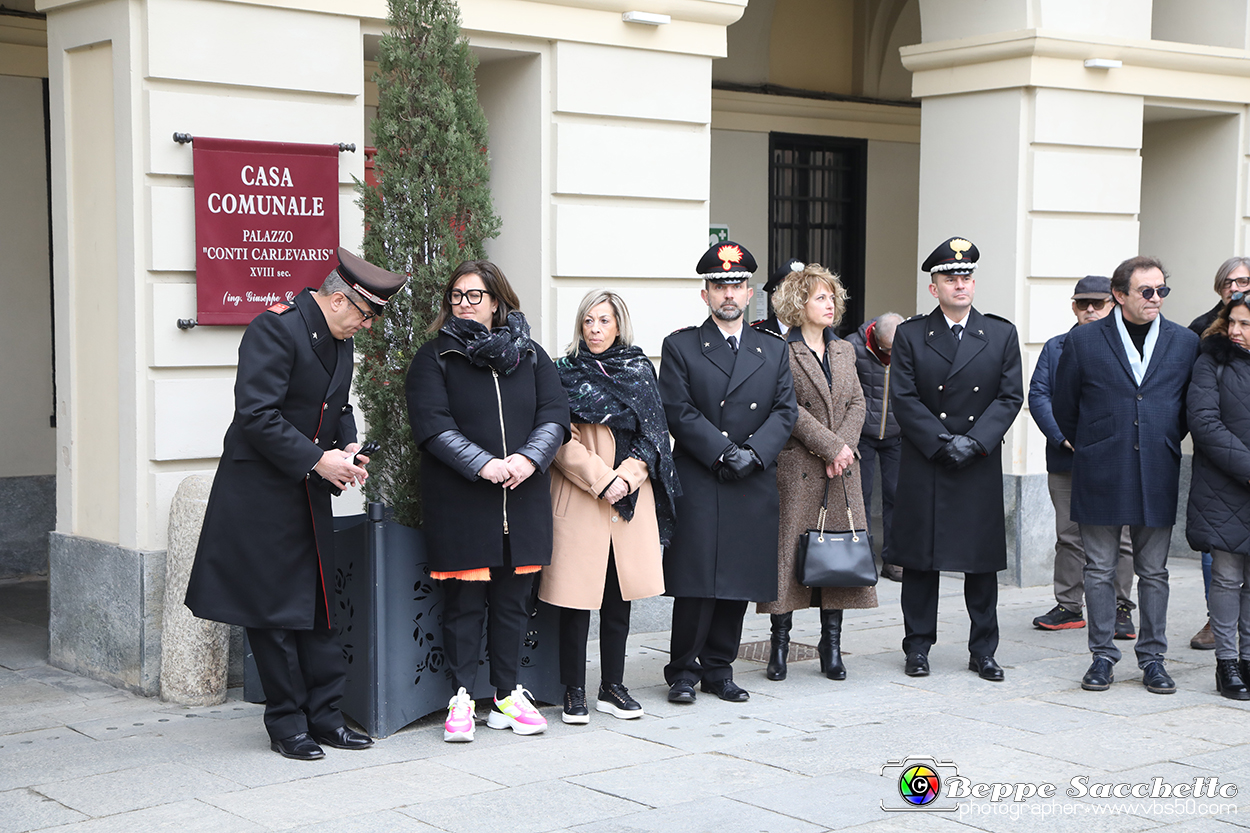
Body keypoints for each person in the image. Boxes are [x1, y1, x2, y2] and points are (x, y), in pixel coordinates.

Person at [185, 248, 406, 760]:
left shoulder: (339, 337)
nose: (366, 326)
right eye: (365, 315)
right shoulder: (274, 329)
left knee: (320, 610)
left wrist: (347, 448)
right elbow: (256, 416)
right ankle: (287, 725)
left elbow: (339, 408)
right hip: (260, 496)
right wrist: (316, 461)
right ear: (336, 299)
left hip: (307, 494)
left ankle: (326, 718)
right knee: (274, 616)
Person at [405, 260, 570, 742]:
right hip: (463, 501)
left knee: (513, 606)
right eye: (456, 297)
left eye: (474, 296)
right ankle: (460, 696)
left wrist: (527, 459)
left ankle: (505, 696)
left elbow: (554, 414)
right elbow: (432, 424)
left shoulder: (531, 356)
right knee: (463, 606)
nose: (464, 304)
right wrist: (484, 464)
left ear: (497, 301)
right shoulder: (435, 357)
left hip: (522, 500)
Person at [659, 241, 797, 704]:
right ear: (705, 294)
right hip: (702, 473)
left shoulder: (773, 349)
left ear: (751, 291)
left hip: (752, 476)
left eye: (736, 284)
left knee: (736, 578)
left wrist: (754, 454)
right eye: (719, 285)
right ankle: (682, 671)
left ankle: (720, 669)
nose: (728, 294)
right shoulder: (681, 345)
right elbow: (678, 410)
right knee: (697, 580)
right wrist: (723, 452)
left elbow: (784, 411)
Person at [1054, 255, 1199, 695]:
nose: (1156, 299)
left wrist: (1165, 439)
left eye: (1161, 291)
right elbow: (1065, 404)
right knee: (1098, 567)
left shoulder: (1184, 341)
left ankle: (1153, 658)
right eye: (1146, 291)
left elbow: (1187, 408)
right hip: (1100, 466)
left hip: (1157, 465)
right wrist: (1096, 442)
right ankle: (1102, 657)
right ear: (1119, 295)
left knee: (1154, 572)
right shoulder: (1084, 341)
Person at [540, 290, 679, 723]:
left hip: (630, 499)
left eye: (604, 321)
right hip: (583, 496)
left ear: (619, 325)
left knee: (620, 600)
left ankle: (613, 687)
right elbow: (559, 437)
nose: (596, 330)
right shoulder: (562, 373)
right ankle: (574, 691)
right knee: (578, 599)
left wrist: (631, 475)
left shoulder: (639, 370)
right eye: (588, 321)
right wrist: (603, 480)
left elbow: (655, 433)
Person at [889, 236, 1023, 682]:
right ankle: (918, 647)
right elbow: (904, 399)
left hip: (977, 462)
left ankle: (983, 650)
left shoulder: (1001, 333)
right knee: (921, 563)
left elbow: (1009, 398)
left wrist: (976, 442)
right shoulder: (911, 334)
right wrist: (943, 441)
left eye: (966, 277)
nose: (960, 284)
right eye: (950, 277)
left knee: (980, 565)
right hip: (929, 460)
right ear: (934, 288)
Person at [758, 264, 877, 682]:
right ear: (799, 304)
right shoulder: (778, 349)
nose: (830, 305)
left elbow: (858, 404)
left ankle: (832, 646)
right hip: (799, 469)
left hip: (840, 471)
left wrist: (843, 449)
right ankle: (779, 646)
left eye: (832, 297)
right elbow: (787, 408)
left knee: (838, 557)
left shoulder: (845, 349)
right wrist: (831, 447)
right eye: (820, 298)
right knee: (789, 559)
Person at [1028, 276, 1137, 637]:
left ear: (1114, 304)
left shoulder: (1127, 346)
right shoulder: (1056, 347)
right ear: (1073, 306)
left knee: (1120, 535)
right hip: (1066, 458)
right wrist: (1063, 437)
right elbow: (1039, 395)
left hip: (1115, 459)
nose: (1090, 309)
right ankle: (1069, 605)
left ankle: (1121, 607)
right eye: (1082, 303)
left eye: (1098, 303)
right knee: (1069, 534)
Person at [1186, 292, 1250, 699]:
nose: (1236, 331)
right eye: (1233, 322)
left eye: (1246, 324)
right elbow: (1204, 422)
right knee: (1226, 578)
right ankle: (1227, 664)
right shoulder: (1212, 362)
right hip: (1223, 488)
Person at [847, 312, 905, 583]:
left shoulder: (910, 345)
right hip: (864, 435)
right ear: (874, 337)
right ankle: (864, 558)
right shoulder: (852, 347)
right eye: (886, 348)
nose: (890, 353)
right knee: (862, 495)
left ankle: (894, 560)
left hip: (897, 434)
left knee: (896, 495)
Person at [751, 257, 804, 336]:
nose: (800, 299)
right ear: (775, 300)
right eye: (790, 294)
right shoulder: (756, 333)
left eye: (804, 293)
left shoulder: (819, 332)